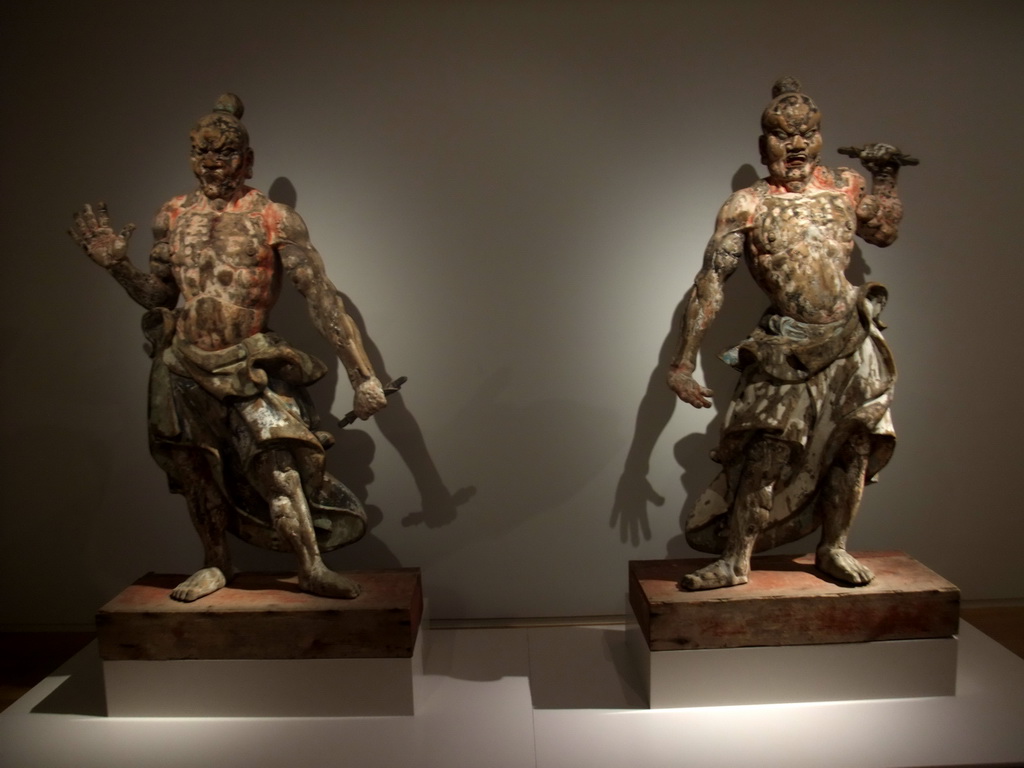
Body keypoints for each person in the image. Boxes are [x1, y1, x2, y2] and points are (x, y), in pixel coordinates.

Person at [70, 94, 388, 602]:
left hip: (249, 361)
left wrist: (363, 375)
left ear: (248, 158)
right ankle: (216, 562)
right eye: (201, 153)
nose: (212, 163)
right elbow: (158, 295)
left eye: (224, 153)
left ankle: (310, 565)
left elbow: (320, 295)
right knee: (198, 471)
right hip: (181, 363)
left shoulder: (272, 218)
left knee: (277, 466)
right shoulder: (171, 215)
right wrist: (116, 266)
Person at [667, 77, 914, 590]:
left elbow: (884, 231)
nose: (796, 145)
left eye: (807, 133)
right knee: (765, 452)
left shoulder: (845, 187)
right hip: (788, 345)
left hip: (852, 336)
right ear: (764, 145)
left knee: (853, 447)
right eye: (783, 135)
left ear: (820, 137)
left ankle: (834, 548)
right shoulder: (747, 206)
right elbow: (710, 281)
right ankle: (737, 560)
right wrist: (682, 363)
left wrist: (884, 175)